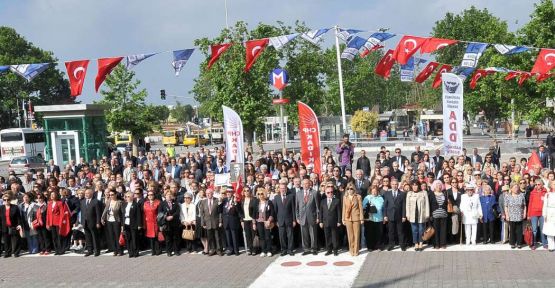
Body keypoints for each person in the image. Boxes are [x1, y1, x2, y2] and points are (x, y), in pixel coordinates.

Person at [296, 179, 319, 255]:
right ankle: (306, 249)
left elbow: (317, 207)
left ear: (310, 184)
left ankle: (314, 249)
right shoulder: (298, 194)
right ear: (302, 185)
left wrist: (318, 217)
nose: (306, 185)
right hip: (302, 218)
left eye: (307, 183)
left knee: (313, 234)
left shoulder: (314, 193)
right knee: (304, 234)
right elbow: (297, 207)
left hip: (312, 217)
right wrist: (297, 217)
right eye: (304, 184)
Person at [383, 178, 407, 251]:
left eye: (396, 184)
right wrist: (385, 215)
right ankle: (391, 245)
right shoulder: (387, 193)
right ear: (391, 185)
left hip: (399, 216)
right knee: (391, 231)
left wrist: (403, 216)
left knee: (400, 231)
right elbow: (385, 205)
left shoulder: (402, 194)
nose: (394, 186)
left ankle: (402, 245)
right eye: (393, 184)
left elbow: (403, 205)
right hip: (390, 215)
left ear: (398, 185)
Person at [273, 181, 296, 256]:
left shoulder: (291, 196)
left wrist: (294, 220)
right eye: (281, 188)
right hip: (280, 221)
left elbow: (293, 209)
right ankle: (284, 250)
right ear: (279, 189)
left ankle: (290, 250)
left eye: (284, 188)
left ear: (286, 189)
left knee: (290, 236)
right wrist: (276, 221)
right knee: (282, 236)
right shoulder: (276, 198)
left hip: (289, 220)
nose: (283, 190)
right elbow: (275, 211)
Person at [406, 181, 429, 251]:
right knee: (414, 230)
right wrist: (407, 214)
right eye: (413, 185)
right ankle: (416, 243)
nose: (414, 187)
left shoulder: (423, 193)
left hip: (421, 214)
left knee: (421, 230)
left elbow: (427, 204)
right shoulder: (409, 193)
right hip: (412, 215)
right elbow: (407, 205)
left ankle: (421, 243)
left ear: (419, 186)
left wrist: (427, 214)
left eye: (416, 185)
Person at [199, 188, 223, 256]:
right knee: (210, 237)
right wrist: (202, 223)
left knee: (217, 237)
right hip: (207, 223)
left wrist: (220, 221)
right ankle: (212, 249)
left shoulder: (217, 200)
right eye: (206, 193)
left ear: (212, 193)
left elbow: (220, 212)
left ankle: (219, 250)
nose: (207, 195)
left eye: (209, 193)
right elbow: (202, 214)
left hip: (216, 221)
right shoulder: (203, 202)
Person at [319, 184, 342, 256]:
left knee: (334, 236)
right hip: (325, 222)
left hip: (334, 222)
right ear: (325, 193)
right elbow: (321, 212)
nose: (330, 193)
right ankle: (329, 249)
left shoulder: (337, 201)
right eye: (328, 192)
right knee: (327, 236)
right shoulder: (323, 201)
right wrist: (321, 221)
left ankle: (335, 250)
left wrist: (339, 221)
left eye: (331, 192)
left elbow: (339, 212)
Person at [342, 183, 364, 256]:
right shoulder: (345, 197)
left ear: (354, 189)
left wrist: (361, 218)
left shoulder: (358, 197)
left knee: (356, 235)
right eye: (348, 188)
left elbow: (360, 208)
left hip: (356, 218)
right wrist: (343, 219)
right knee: (350, 235)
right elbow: (344, 209)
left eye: (351, 188)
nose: (349, 190)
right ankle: (351, 250)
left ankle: (356, 250)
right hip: (348, 218)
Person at [253, 188, 274, 257]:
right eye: (258, 194)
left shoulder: (269, 202)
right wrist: (254, 223)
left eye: (261, 194)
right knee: (261, 237)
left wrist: (269, 220)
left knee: (267, 236)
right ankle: (263, 250)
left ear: (264, 194)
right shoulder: (256, 203)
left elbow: (272, 212)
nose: (260, 195)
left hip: (266, 221)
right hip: (259, 222)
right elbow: (254, 214)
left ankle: (269, 250)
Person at [505, 183, 527, 249]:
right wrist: (507, 215)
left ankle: (519, 243)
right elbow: (506, 206)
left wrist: (525, 213)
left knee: (519, 230)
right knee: (512, 230)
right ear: (511, 188)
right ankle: (512, 243)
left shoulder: (521, 195)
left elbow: (524, 205)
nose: (516, 189)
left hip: (519, 215)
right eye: (514, 187)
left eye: (517, 187)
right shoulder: (507, 196)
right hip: (511, 215)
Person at [80, 188, 102, 256]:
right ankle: (90, 250)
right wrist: (82, 222)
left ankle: (97, 251)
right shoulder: (82, 201)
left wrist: (98, 222)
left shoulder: (96, 201)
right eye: (85, 193)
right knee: (88, 237)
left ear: (91, 194)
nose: (86, 194)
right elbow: (82, 212)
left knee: (95, 237)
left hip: (93, 222)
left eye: (88, 193)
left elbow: (98, 213)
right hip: (85, 222)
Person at [102, 190, 123, 256]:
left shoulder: (120, 202)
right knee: (111, 236)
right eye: (110, 195)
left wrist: (122, 224)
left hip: (116, 220)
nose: (111, 196)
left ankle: (120, 250)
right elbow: (105, 210)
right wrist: (102, 218)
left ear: (116, 194)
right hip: (109, 220)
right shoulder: (108, 201)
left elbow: (122, 213)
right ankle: (115, 250)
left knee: (117, 235)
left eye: (112, 194)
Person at [121, 191, 143, 258]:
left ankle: (136, 252)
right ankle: (130, 252)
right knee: (128, 238)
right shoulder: (124, 204)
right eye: (126, 197)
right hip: (126, 223)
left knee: (134, 238)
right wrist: (122, 225)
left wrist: (139, 224)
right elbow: (123, 215)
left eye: (128, 196)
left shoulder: (136, 204)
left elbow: (138, 215)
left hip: (133, 223)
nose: (127, 198)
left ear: (132, 197)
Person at [363, 186, 384, 251]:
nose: (374, 192)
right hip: (370, 219)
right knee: (370, 233)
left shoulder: (381, 198)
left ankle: (378, 246)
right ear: (370, 191)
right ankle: (370, 247)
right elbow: (363, 206)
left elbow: (383, 208)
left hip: (379, 218)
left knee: (379, 233)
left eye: (375, 191)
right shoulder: (367, 197)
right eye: (373, 191)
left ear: (378, 191)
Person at [527, 179, 547, 250]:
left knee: (543, 229)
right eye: (536, 184)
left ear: (542, 185)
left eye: (539, 184)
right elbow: (530, 204)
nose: (537, 186)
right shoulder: (532, 193)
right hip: (533, 213)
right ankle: (534, 243)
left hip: (542, 213)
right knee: (534, 230)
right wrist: (528, 214)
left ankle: (544, 243)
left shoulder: (545, 192)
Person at [160, 190, 181, 256]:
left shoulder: (176, 203)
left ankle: (176, 250)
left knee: (175, 237)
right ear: (165, 196)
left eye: (170, 194)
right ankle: (169, 251)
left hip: (175, 222)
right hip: (167, 224)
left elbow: (178, 211)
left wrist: (172, 216)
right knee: (168, 238)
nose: (169, 196)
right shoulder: (162, 203)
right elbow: (160, 213)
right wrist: (165, 217)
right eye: (167, 195)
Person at [0, 192, 21, 257]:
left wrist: (19, 224)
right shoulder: (1, 208)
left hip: (13, 225)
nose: (6, 201)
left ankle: (16, 252)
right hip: (4, 226)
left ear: (10, 200)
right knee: (6, 240)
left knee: (16, 239)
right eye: (5, 200)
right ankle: (7, 253)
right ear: (3, 200)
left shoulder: (15, 207)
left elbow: (18, 217)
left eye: (8, 199)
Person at [222, 189, 241, 256]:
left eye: (229, 192)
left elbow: (239, 211)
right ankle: (230, 249)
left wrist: (235, 203)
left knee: (234, 236)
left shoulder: (235, 200)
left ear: (232, 193)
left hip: (233, 220)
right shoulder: (224, 200)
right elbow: (220, 210)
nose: (228, 193)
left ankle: (236, 250)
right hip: (226, 220)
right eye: (227, 192)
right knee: (228, 236)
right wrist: (219, 202)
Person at [143, 189, 161, 256]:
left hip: (156, 222)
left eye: (151, 194)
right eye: (149, 195)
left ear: (154, 195)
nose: (150, 196)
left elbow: (160, 213)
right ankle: (153, 250)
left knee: (156, 237)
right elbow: (144, 213)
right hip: (148, 222)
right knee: (151, 237)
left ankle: (158, 250)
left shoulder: (158, 202)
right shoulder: (145, 203)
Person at [240, 187, 257, 255]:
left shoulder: (254, 200)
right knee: (248, 235)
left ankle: (254, 249)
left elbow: (255, 211)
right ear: (243, 192)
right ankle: (250, 248)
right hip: (245, 220)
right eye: (245, 191)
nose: (246, 192)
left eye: (248, 191)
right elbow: (241, 212)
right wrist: (241, 220)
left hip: (252, 220)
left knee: (253, 235)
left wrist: (254, 222)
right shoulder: (242, 200)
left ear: (250, 191)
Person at [542, 182, 555, 252]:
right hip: (550, 212)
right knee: (550, 230)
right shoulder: (547, 194)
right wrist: (545, 214)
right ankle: (551, 246)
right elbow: (545, 205)